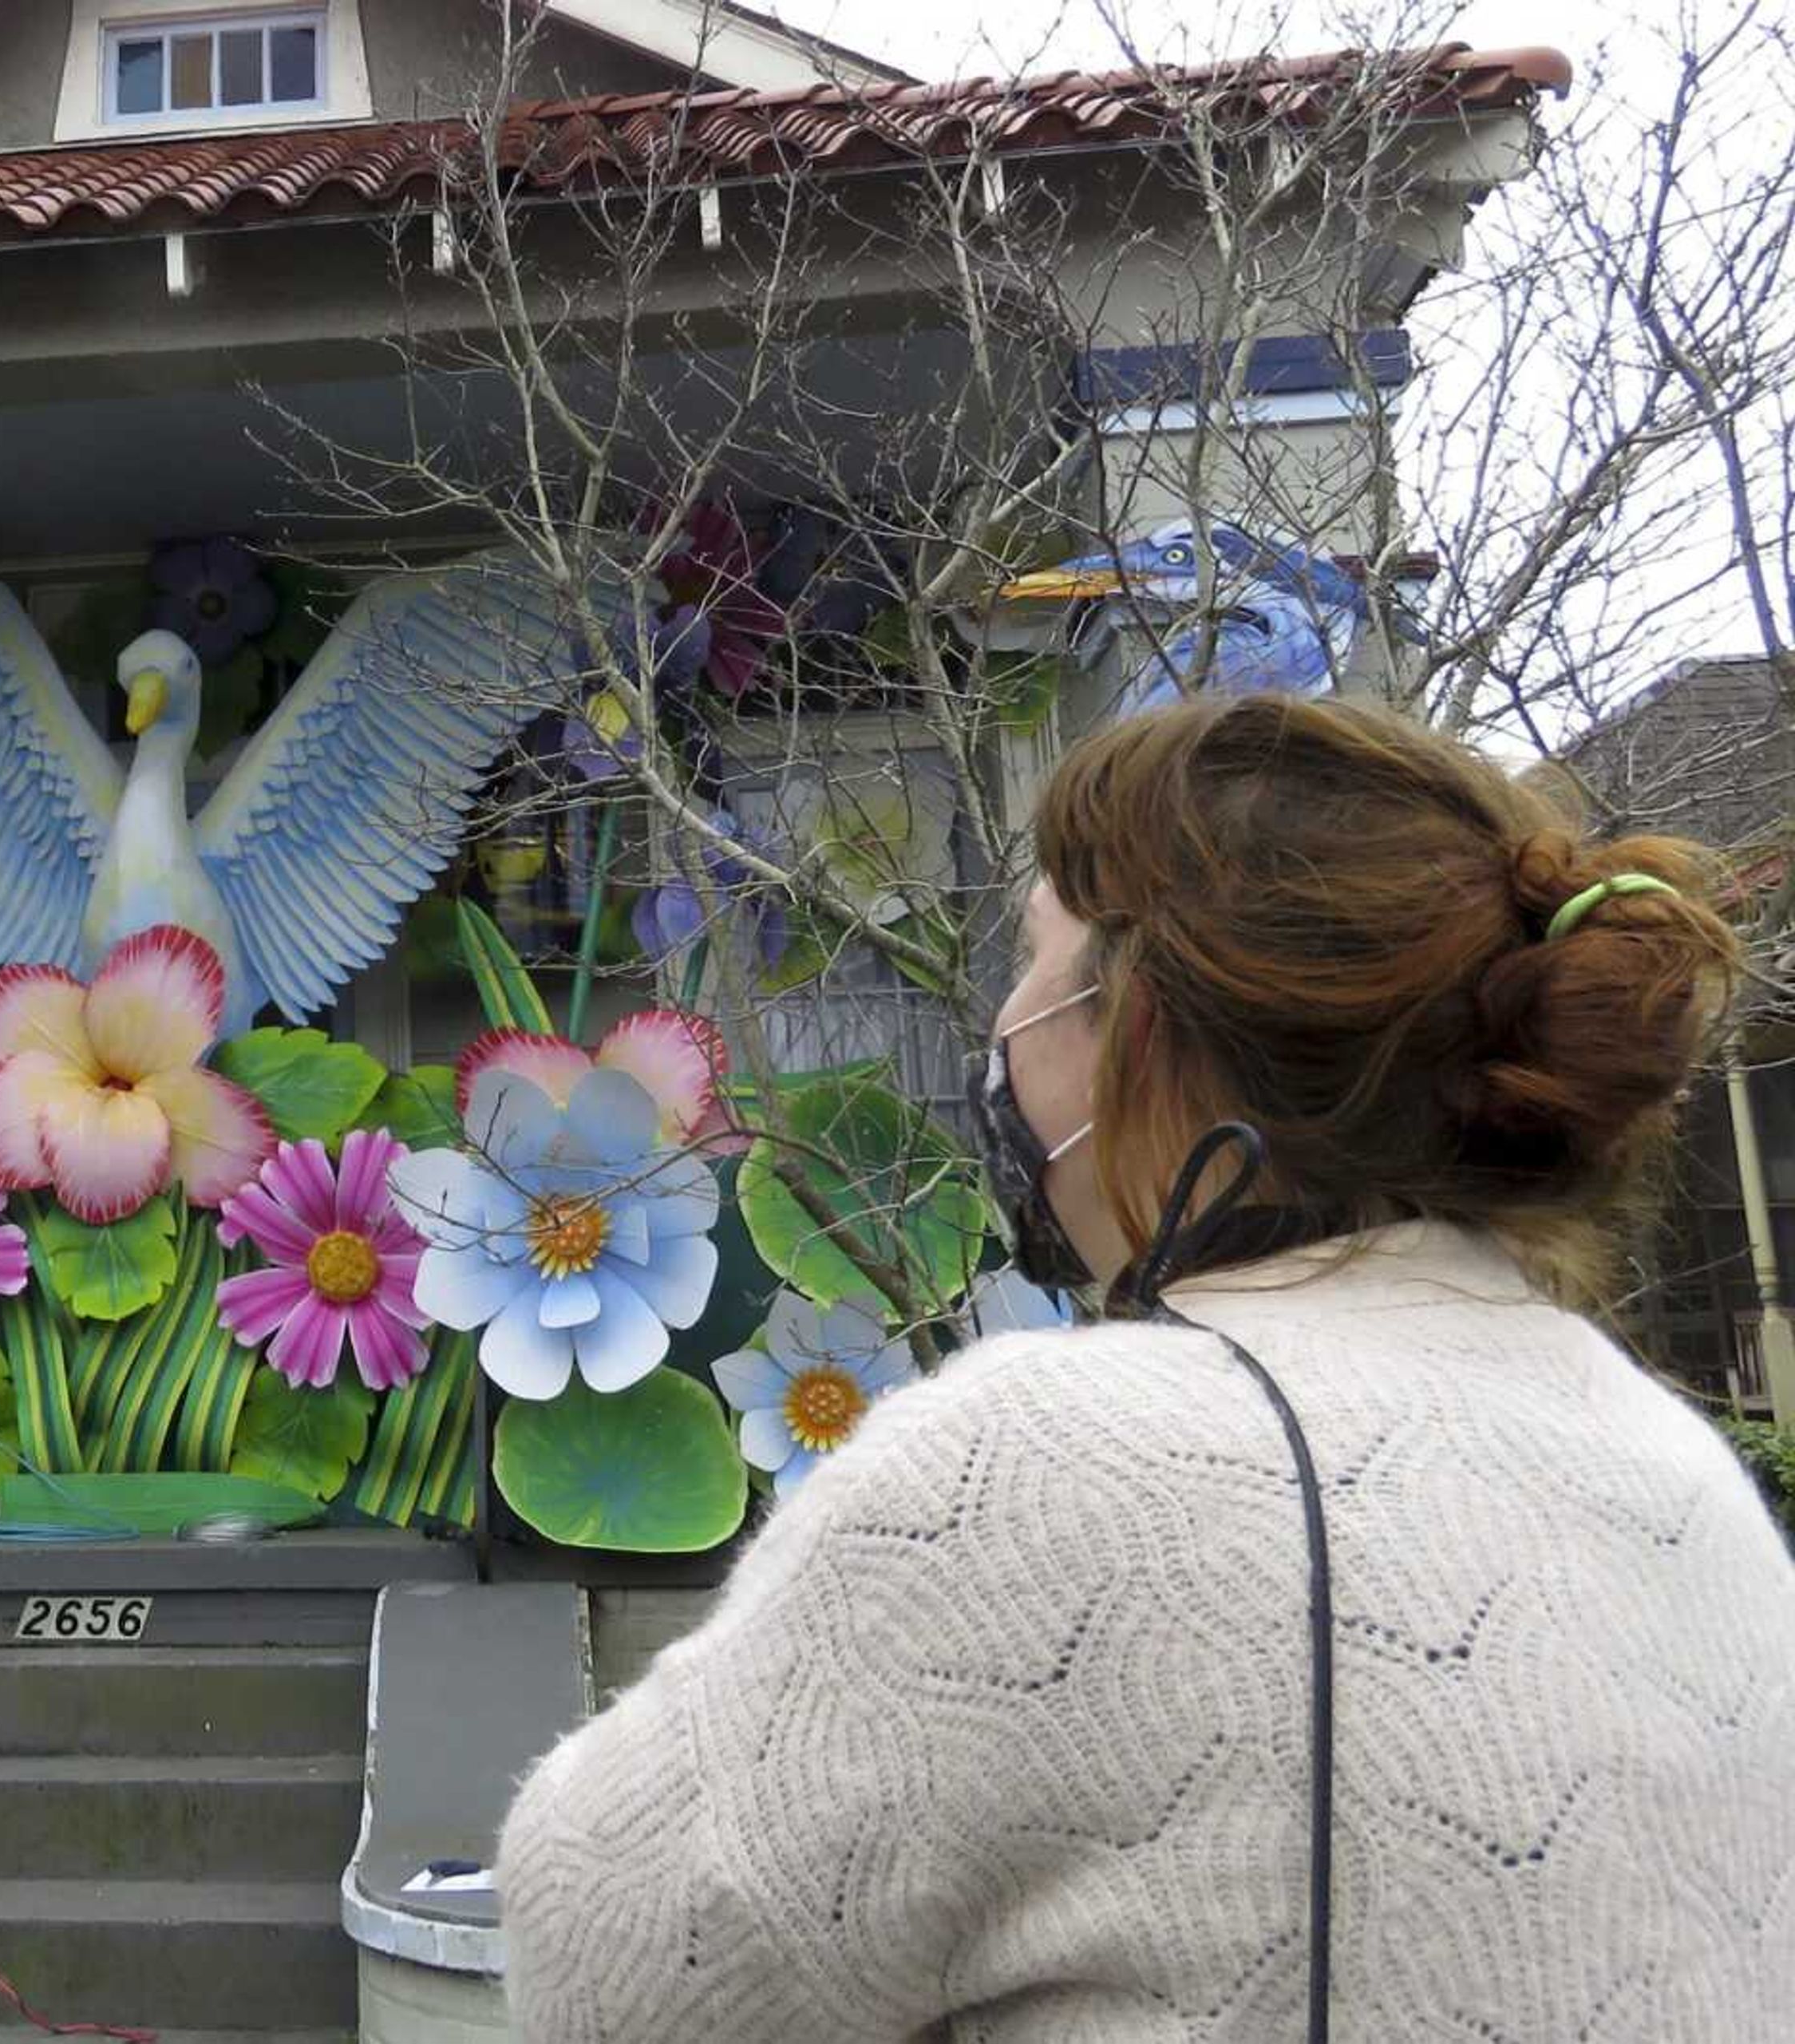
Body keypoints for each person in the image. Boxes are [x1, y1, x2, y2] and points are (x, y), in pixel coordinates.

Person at [497, 693, 1795, 2040]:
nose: (1001, 1025)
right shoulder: (1674, 1460)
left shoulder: (1056, 1460)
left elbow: (604, 1954)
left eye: (1032, 959)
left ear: (1143, 1028)